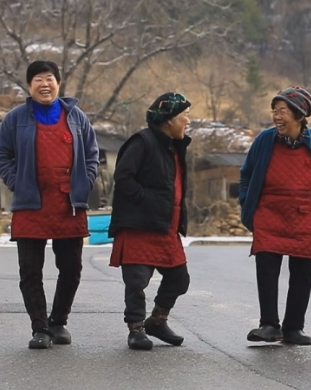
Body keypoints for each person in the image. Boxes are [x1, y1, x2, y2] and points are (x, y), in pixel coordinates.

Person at [0, 60, 99, 349]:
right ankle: (39, 328)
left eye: (49, 78)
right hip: (30, 204)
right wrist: (17, 181)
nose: (44, 84)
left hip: (69, 204)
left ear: (58, 83)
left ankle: (58, 321)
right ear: (29, 86)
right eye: (37, 79)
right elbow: (0, 153)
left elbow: (92, 155)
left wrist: (85, 181)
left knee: (72, 268)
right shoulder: (15, 119)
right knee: (30, 270)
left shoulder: (77, 117)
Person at [239, 86, 311, 346]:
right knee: (266, 267)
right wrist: (247, 204)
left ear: (299, 115)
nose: (276, 116)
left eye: (282, 111)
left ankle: (294, 327)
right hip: (269, 212)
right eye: (274, 111)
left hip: (307, 213)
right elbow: (247, 174)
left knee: (302, 272)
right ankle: (269, 325)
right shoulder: (265, 140)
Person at [108, 92, 192, 351]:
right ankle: (136, 329)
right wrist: (148, 201)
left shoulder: (174, 145)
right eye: (183, 117)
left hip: (165, 227)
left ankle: (157, 321)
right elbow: (123, 178)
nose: (187, 121)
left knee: (179, 279)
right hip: (139, 225)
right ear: (168, 121)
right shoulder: (142, 142)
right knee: (136, 281)